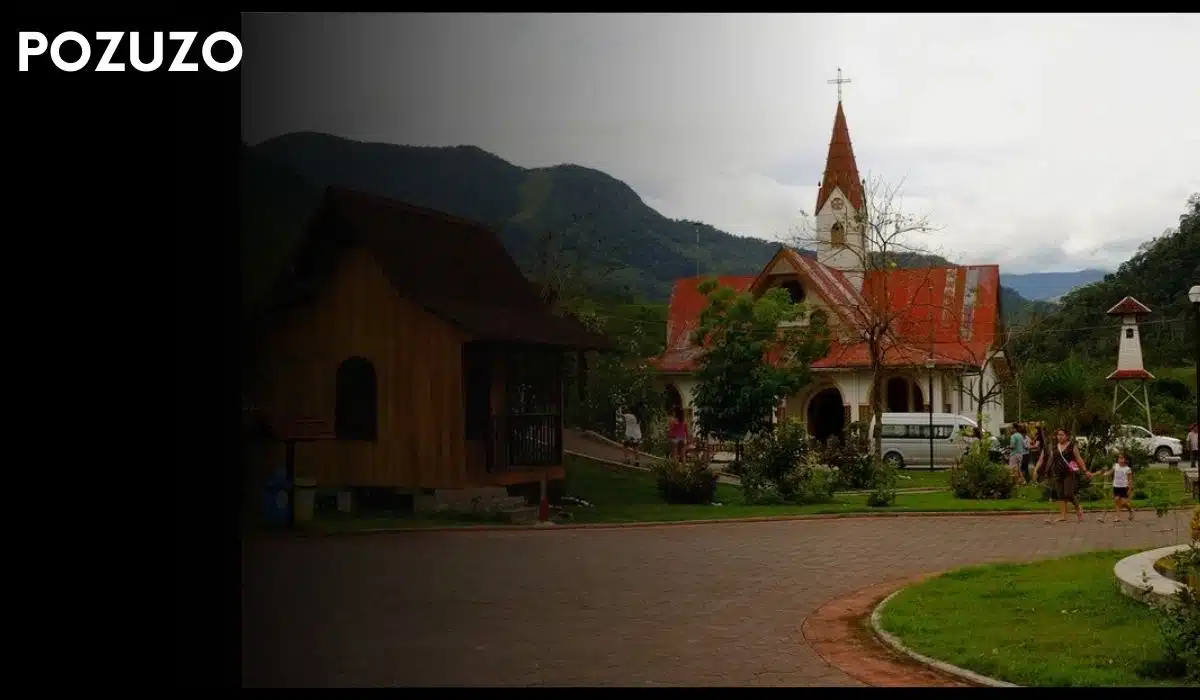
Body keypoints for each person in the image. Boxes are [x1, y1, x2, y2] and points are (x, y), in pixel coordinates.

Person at [1035, 427, 1088, 524]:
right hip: (1057, 473)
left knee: (1068, 493)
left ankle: (1078, 507)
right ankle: (1063, 516)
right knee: (1060, 495)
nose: (1059, 437)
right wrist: (1037, 469)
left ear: (1067, 436)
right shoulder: (1054, 446)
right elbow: (1044, 459)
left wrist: (1085, 470)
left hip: (1069, 472)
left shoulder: (1072, 446)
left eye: (1062, 435)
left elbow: (1078, 458)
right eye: (1058, 435)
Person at [1093, 452, 1135, 523]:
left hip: (1124, 488)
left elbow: (1130, 480)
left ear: (1126, 460)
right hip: (1116, 487)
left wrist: (1130, 489)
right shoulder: (1115, 466)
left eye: (1122, 458)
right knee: (1117, 501)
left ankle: (1131, 511)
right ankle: (1117, 517)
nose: (1119, 460)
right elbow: (1109, 472)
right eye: (1119, 458)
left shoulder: (1128, 469)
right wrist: (1103, 474)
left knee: (1124, 503)